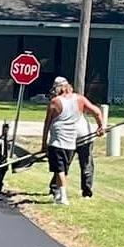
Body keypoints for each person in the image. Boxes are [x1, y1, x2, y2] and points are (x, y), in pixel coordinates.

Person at [43, 76, 104, 205]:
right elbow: (97, 112)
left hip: (72, 137)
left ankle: (59, 192)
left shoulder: (56, 102)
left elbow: (47, 123)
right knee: (82, 164)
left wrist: (44, 142)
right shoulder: (79, 99)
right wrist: (100, 126)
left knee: (62, 166)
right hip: (76, 137)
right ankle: (79, 192)